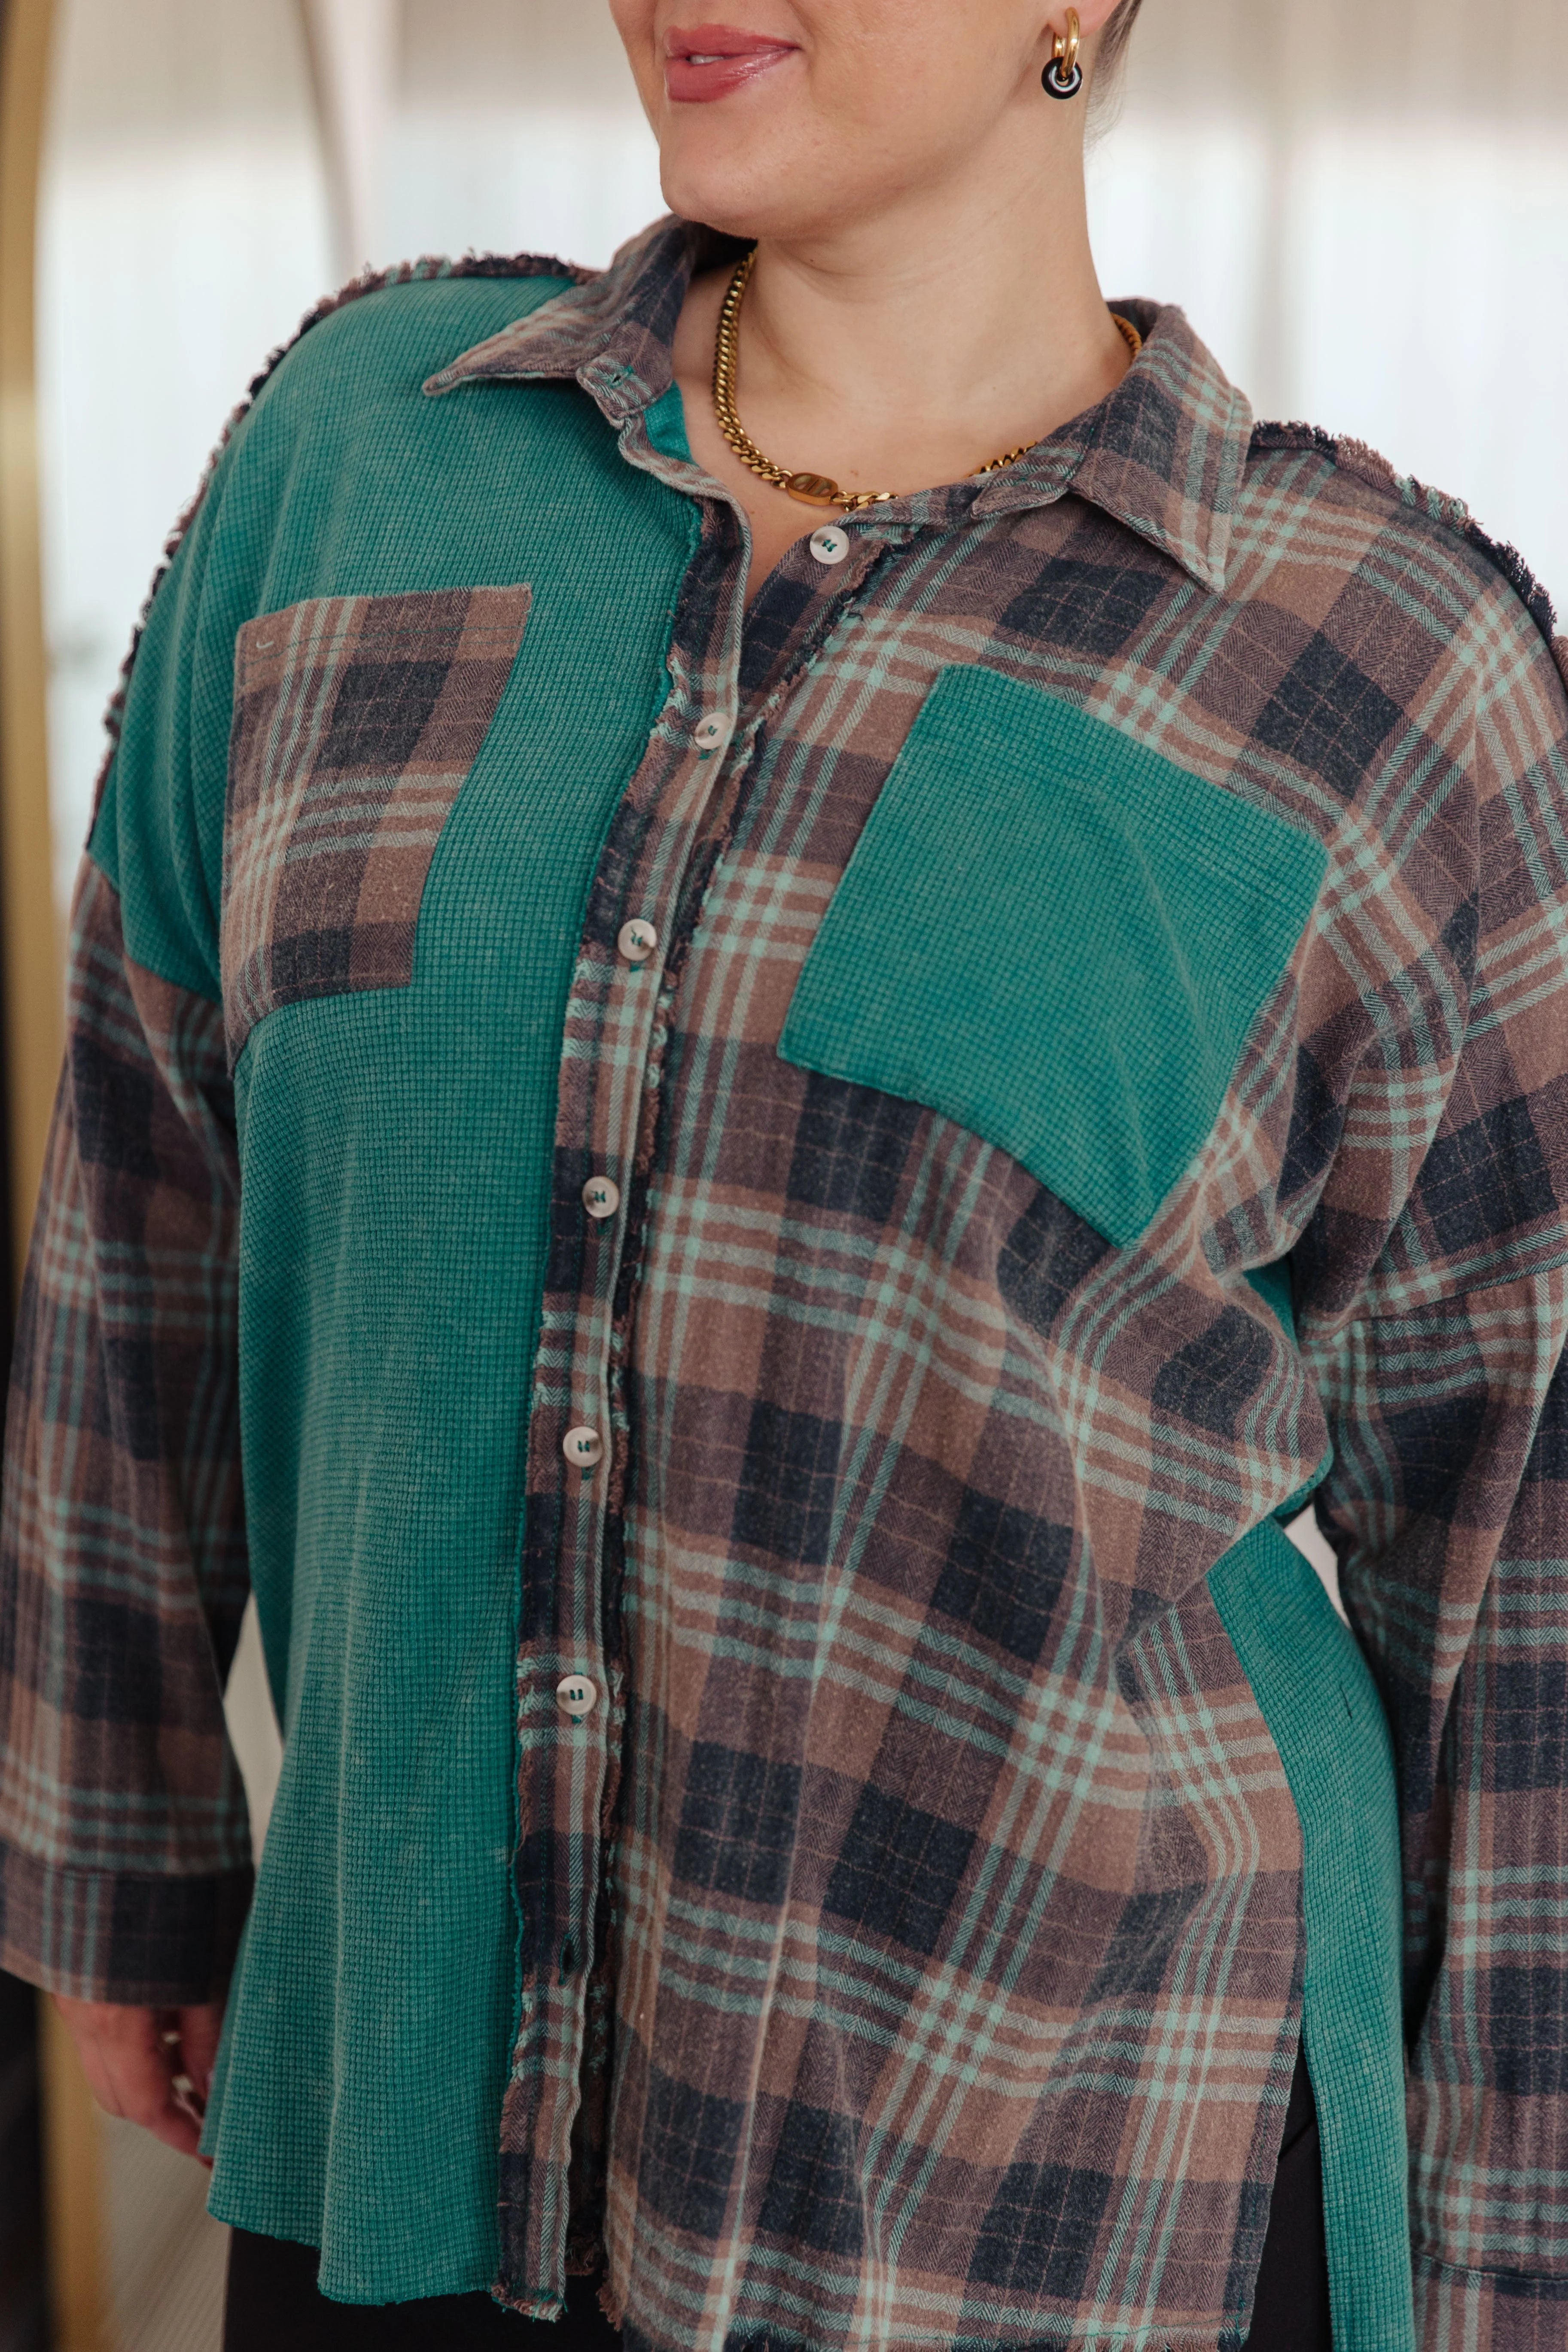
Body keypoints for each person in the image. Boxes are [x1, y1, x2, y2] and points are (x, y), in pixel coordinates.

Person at [3, 0, 1568, 2346]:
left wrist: (1507, 2278)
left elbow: (1521, 1565)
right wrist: (124, 1839)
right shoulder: (358, 452)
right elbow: (146, 1175)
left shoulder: (1377, 671)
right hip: (401, 2134)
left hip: (1072, 2197)